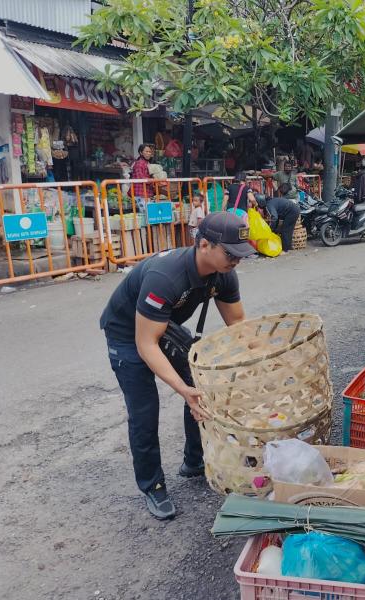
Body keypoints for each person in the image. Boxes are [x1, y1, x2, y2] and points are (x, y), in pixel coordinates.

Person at [100, 211, 252, 519]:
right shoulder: (166, 276)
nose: (237, 260)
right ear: (205, 245)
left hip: (162, 324)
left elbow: (237, 325)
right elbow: (146, 344)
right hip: (128, 335)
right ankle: (152, 486)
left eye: (241, 254)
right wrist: (181, 388)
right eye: (231, 254)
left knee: (203, 386)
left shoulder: (224, 272)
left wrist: (253, 365)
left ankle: (195, 460)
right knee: (145, 412)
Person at [251, 185, 300, 252]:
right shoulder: (271, 202)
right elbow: (275, 218)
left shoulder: (269, 205)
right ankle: (288, 247)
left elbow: (274, 218)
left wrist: (270, 229)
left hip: (292, 212)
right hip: (294, 210)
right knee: (288, 230)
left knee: (285, 230)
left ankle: (285, 249)